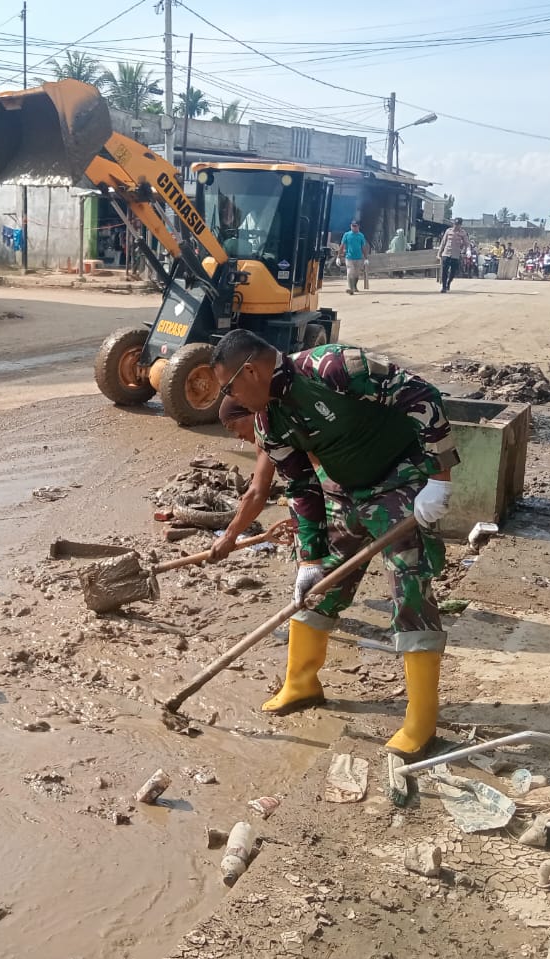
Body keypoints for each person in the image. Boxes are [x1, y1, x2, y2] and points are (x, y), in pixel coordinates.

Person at [208, 329, 458, 760]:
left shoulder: (332, 367)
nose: (231, 399)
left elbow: (421, 396)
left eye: (228, 388)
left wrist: (439, 477)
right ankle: (301, 684)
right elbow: (301, 487)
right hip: (342, 492)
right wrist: (310, 558)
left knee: (410, 592)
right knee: (316, 589)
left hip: (400, 481)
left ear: (250, 371)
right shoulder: (269, 424)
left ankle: (421, 722)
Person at [436, 217, 469, 292]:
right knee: (444, 270)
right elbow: (443, 242)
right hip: (446, 253)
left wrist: (467, 250)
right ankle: (444, 287)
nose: (456, 226)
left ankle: (448, 283)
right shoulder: (448, 231)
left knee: (453, 272)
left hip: (455, 255)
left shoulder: (463, 233)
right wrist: (439, 253)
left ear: (460, 225)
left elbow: (467, 243)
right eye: (455, 224)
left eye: (458, 224)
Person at [340, 220, 370, 294]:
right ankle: (351, 288)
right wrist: (338, 257)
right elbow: (342, 245)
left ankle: (354, 286)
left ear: (358, 226)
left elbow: (363, 247)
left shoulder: (361, 236)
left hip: (358, 257)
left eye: (355, 226)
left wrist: (366, 258)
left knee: (356, 273)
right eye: (352, 226)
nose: (353, 227)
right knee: (350, 272)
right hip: (349, 257)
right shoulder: (347, 235)